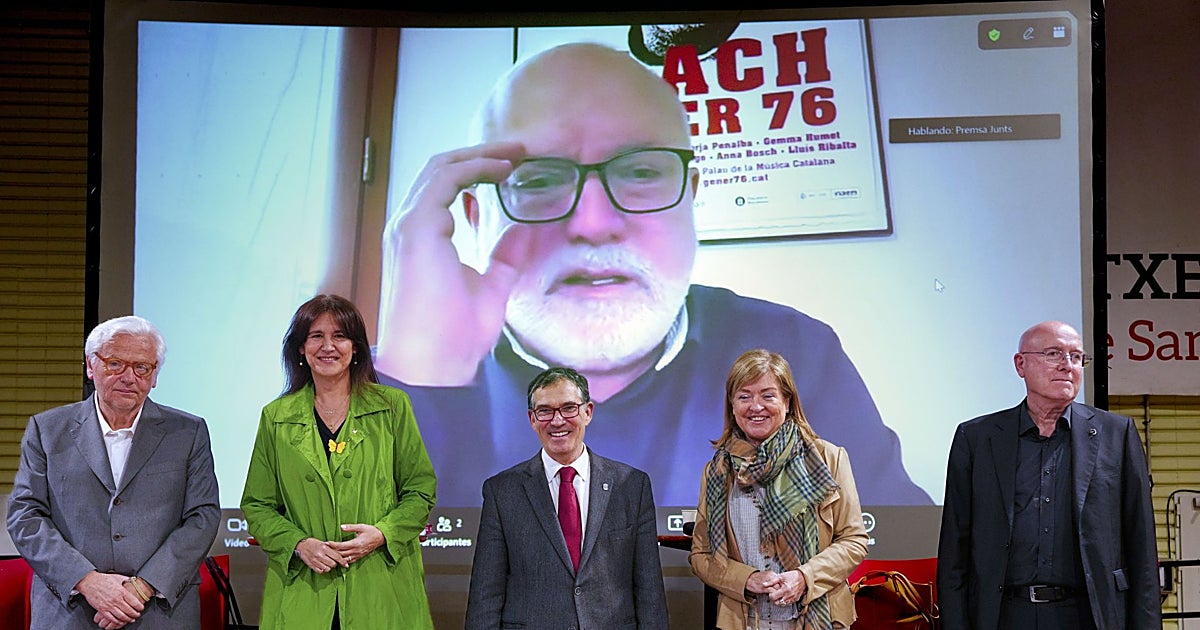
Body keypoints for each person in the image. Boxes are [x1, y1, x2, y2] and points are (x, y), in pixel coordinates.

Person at [374, 40, 929, 507]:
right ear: (474, 219)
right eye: (539, 181)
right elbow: (333, 571)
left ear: (691, 198)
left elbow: (893, 572)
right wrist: (415, 383)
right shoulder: (406, 377)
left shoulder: (796, 353)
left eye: (641, 171)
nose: (592, 224)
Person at [937, 321, 1161, 629]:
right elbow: (954, 553)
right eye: (1054, 354)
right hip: (1004, 615)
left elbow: (1142, 549)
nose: (1067, 366)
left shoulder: (1117, 435)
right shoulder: (976, 438)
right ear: (1021, 364)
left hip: (1091, 614)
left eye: (1076, 356)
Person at [6, 315, 220, 629]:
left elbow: (203, 517)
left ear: (155, 375)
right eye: (115, 364)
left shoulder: (189, 432)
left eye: (142, 367)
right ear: (91, 366)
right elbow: (25, 515)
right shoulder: (47, 429)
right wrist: (87, 581)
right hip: (71, 611)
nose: (128, 377)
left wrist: (141, 587)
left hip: (158, 612)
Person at [240, 294, 437, 629]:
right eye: (316, 336)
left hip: (380, 588)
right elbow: (257, 504)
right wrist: (299, 544)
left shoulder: (392, 406)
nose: (327, 346)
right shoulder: (276, 417)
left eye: (340, 336)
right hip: (305, 589)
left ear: (356, 347)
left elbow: (420, 490)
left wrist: (382, 533)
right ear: (300, 348)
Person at [464, 366, 669, 629]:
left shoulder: (630, 486)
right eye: (545, 411)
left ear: (588, 412)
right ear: (532, 419)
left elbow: (649, 588)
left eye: (569, 408)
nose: (557, 420)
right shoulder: (503, 491)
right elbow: (486, 593)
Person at [690, 349, 869, 630]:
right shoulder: (717, 472)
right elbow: (702, 555)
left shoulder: (828, 459)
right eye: (744, 396)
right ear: (732, 406)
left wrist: (804, 577)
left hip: (816, 618)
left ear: (787, 401)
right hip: (744, 621)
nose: (755, 406)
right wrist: (745, 578)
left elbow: (853, 540)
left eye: (768, 395)